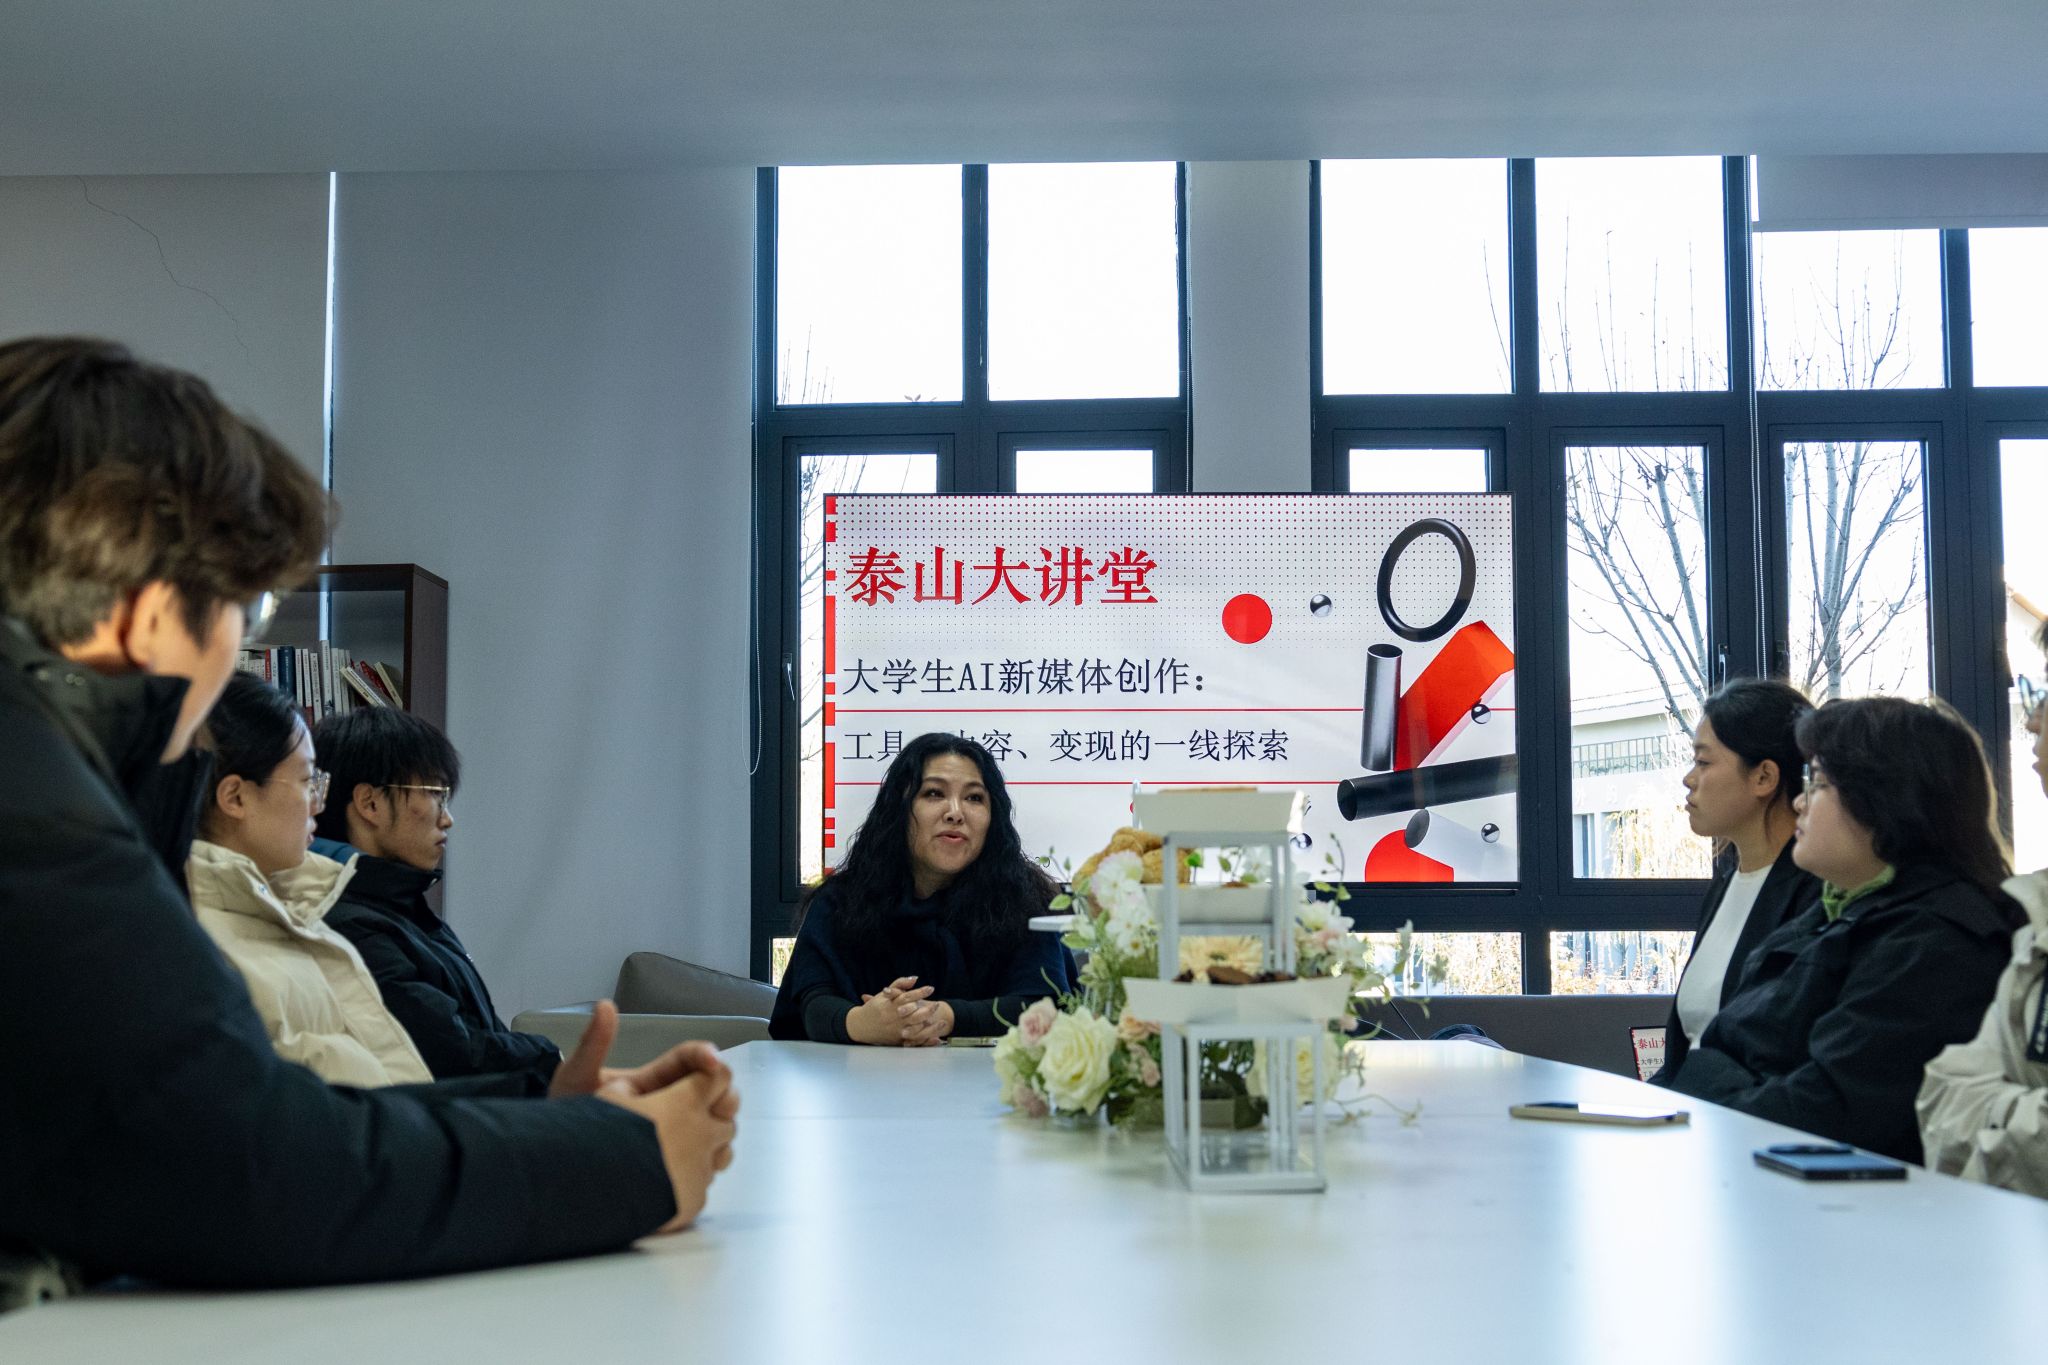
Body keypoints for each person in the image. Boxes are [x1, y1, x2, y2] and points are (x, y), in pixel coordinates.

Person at [0, 336, 735, 1291]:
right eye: (249, 611)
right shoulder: (38, 814)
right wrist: (625, 1161)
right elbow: (249, 1164)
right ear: (152, 615)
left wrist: (558, 1125)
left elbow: (232, 1121)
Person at [1661, 695, 2023, 1163]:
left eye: (1818, 784)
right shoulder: (1836, 911)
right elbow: (1725, 1046)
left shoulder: (1938, 943)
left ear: (1883, 801)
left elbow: (1819, 1111)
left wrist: (1704, 1082)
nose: (1798, 801)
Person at [188, 672, 434, 1087]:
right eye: (307, 781)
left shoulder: (297, 904)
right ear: (236, 797)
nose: (318, 803)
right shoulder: (204, 949)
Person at [310, 707, 560, 1085]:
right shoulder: (352, 926)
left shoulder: (401, 910)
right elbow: (456, 1056)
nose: (447, 819)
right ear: (370, 803)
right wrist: (552, 1058)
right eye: (435, 795)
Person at [771, 732, 1071, 1044]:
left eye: (974, 798)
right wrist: (864, 1023)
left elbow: (1044, 1005)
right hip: (853, 1073)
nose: (955, 812)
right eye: (934, 793)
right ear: (899, 809)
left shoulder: (1023, 900)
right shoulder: (841, 900)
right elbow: (812, 1002)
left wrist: (943, 1017)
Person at [1918, 635, 2048, 1194]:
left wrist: (1994, 1112)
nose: (2032, 721)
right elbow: (1943, 1095)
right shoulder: (2039, 908)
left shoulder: (1944, 930)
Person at [1649, 679, 1822, 1085]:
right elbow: (1684, 1052)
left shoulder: (1815, 896)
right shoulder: (1726, 885)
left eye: (1703, 762)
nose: (1689, 779)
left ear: (1764, 777)